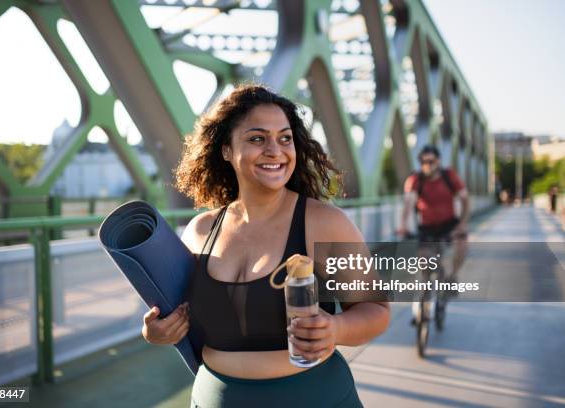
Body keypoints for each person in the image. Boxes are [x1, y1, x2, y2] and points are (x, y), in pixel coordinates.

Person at [141, 84, 390, 407]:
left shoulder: (325, 223)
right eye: (257, 138)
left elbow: (376, 310)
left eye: (284, 138)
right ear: (226, 150)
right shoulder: (200, 231)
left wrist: (336, 327)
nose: (275, 150)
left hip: (314, 398)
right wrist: (157, 332)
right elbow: (176, 315)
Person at [398, 144, 470, 291]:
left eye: (431, 162)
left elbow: (465, 199)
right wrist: (403, 224)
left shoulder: (449, 176)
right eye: (423, 162)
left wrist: (462, 223)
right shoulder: (416, 180)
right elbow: (409, 203)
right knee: (424, 263)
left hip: (449, 223)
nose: (427, 166)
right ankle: (422, 310)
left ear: (438, 161)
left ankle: (452, 277)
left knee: (462, 245)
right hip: (427, 227)